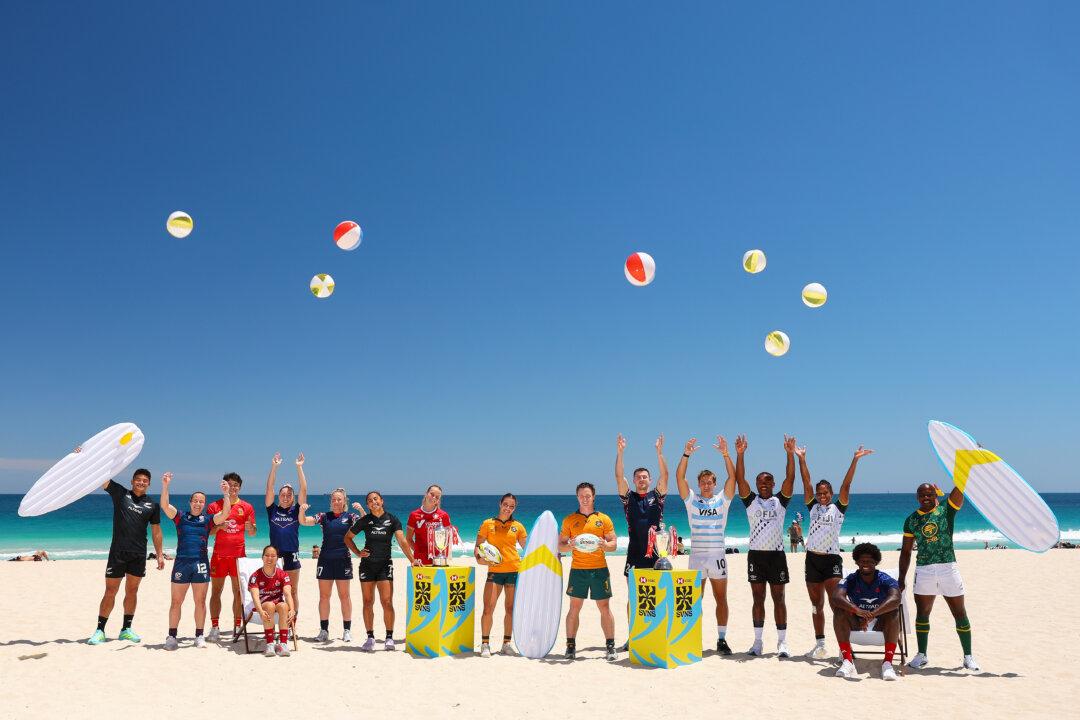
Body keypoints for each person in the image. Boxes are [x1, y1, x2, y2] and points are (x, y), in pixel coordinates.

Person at [797, 444, 874, 659]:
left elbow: (847, 484)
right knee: (816, 605)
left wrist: (855, 459)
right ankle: (820, 644)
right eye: (819, 493)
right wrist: (802, 459)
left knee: (838, 604)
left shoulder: (838, 508)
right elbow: (805, 482)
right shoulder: (812, 507)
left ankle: (844, 648)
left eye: (825, 493)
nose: (822, 496)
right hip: (812, 559)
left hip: (831, 561)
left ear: (831, 494)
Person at [899, 482, 980, 671]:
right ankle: (922, 655)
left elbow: (959, 490)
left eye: (929, 494)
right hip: (924, 569)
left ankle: (968, 656)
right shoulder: (911, 520)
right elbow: (905, 551)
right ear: (917, 497)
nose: (926, 498)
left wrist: (965, 468)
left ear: (935, 494)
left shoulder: (945, 510)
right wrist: (901, 578)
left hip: (948, 568)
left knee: (959, 613)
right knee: (922, 614)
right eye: (922, 495)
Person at [88, 462, 163, 645]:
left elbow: (156, 531)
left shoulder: (152, 505)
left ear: (149, 484)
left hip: (138, 554)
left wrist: (160, 554)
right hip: (118, 553)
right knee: (110, 591)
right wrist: (86, 455)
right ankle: (99, 630)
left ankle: (126, 629)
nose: (141, 483)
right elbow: (102, 478)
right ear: (132, 481)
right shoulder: (121, 494)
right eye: (138, 480)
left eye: (145, 481)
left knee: (132, 591)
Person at [676, 435, 737, 655]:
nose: (706, 485)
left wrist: (726, 454)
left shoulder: (723, 500)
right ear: (699, 484)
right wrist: (686, 454)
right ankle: (692, 637)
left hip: (717, 555)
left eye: (710, 482)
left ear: (714, 483)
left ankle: (721, 639)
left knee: (721, 599)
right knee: (694, 600)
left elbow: (733, 477)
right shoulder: (692, 500)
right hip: (697, 556)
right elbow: (680, 478)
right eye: (702, 482)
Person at [736, 435, 796, 657]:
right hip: (756, 557)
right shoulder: (750, 500)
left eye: (767, 481)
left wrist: (789, 454)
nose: (763, 484)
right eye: (760, 481)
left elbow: (790, 478)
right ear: (756, 484)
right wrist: (740, 454)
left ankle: (782, 642)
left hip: (777, 556)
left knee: (779, 598)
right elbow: (739, 477)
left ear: (773, 484)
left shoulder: (781, 501)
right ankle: (758, 642)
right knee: (757, 599)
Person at [160, 474, 231, 650]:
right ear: (190, 502)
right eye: (195, 501)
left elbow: (225, 514)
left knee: (200, 601)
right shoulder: (180, 517)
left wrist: (226, 494)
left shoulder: (207, 520)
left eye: (201, 501)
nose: (198, 503)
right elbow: (165, 505)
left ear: (204, 504)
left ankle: (199, 635)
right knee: (176, 602)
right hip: (181, 564)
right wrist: (165, 486)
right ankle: (172, 636)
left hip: (200, 564)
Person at [614, 433, 668, 651]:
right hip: (634, 553)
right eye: (638, 477)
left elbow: (666, 475)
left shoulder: (658, 495)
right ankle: (633, 636)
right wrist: (620, 452)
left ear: (649, 479)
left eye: (645, 476)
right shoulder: (629, 499)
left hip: (656, 554)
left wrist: (659, 453)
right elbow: (619, 477)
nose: (642, 479)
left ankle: (656, 633)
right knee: (634, 596)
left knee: (656, 594)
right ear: (634, 481)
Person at [345, 491, 414, 651]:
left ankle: (389, 637)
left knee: (387, 601)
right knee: (368, 602)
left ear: (382, 501)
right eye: (369, 500)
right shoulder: (365, 520)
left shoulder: (392, 519)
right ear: (368, 505)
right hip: (367, 566)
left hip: (384, 565)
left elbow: (402, 541)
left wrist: (412, 559)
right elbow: (347, 538)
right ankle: (370, 638)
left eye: (375, 499)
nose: (373, 502)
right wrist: (357, 552)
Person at [559, 482, 618, 662]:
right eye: (581, 496)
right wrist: (568, 545)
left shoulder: (603, 519)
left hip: (599, 569)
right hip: (578, 570)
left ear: (593, 497)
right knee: (574, 608)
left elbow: (614, 544)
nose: (585, 499)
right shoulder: (569, 520)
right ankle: (570, 647)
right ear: (577, 497)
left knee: (604, 608)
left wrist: (604, 545)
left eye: (588, 496)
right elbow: (560, 545)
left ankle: (610, 646)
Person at [831, 543, 901, 680]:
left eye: (870, 561)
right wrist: (858, 611)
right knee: (839, 610)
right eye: (862, 561)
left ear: (876, 562)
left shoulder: (885, 579)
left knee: (894, 611)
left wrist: (872, 614)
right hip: (857, 621)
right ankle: (847, 661)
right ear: (856, 562)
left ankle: (887, 663)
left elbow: (896, 597)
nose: (866, 563)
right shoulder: (850, 579)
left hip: (880, 621)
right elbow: (836, 597)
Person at [300, 488, 361, 642]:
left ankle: (347, 630)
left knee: (344, 596)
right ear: (330, 501)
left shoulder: (351, 517)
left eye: (339, 499)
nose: (336, 502)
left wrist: (361, 509)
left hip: (343, 560)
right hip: (325, 560)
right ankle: (324, 630)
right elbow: (303, 522)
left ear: (344, 501)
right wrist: (301, 510)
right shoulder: (323, 517)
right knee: (324, 596)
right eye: (333, 499)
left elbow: (365, 523)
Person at [474, 493, 527, 657]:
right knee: (488, 608)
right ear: (500, 504)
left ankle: (506, 644)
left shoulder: (518, 526)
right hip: (495, 573)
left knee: (510, 609)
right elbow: (478, 546)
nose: (508, 508)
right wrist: (481, 561)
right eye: (506, 505)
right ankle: (485, 644)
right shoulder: (487, 524)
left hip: (513, 571)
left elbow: (529, 548)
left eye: (512, 506)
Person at [205, 472, 256, 641]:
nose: (232, 488)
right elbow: (208, 532)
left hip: (238, 557)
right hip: (219, 556)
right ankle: (214, 627)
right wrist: (219, 527)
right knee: (216, 592)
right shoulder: (214, 506)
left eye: (235, 485)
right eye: (229, 485)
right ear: (223, 486)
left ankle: (236, 626)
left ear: (239, 487)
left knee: (238, 593)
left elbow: (253, 532)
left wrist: (250, 528)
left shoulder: (247, 507)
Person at [265, 451, 308, 628]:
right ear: (278, 496)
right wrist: (274, 467)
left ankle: (292, 624)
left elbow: (303, 489)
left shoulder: (296, 510)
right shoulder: (272, 509)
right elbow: (269, 488)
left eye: (289, 495)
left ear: (293, 498)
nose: (285, 497)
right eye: (283, 494)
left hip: (291, 554)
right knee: (274, 591)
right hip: (274, 555)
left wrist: (299, 468)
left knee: (292, 590)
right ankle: (276, 623)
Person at [248, 545, 296, 657]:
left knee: (284, 606)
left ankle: (283, 644)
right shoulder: (256, 575)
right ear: (262, 557)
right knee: (269, 605)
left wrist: (292, 609)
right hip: (263, 606)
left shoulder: (282, 574)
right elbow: (255, 596)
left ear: (277, 558)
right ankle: (270, 643)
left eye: (273, 556)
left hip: (278, 605)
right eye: (267, 555)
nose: (270, 558)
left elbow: (288, 594)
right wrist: (260, 611)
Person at [405, 485, 452, 566]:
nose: (434, 498)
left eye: (437, 497)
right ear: (426, 494)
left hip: (438, 559)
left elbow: (448, 539)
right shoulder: (414, 515)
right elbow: (408, 539)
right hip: (420, 561)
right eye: (432, 494)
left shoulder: (444, 515)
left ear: (438, 500)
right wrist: (419, 552)